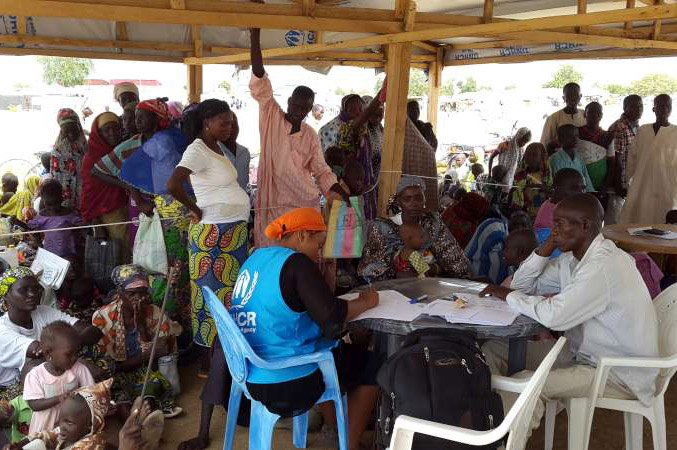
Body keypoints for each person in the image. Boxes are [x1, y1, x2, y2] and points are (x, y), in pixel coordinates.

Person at [480, 194, 659, 432]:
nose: (553, 231)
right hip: (583, 353)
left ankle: (501, 442)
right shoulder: (573, 261)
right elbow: (520, 285)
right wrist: (546, 247)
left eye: (560, 224)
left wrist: (506, 296)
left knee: (526, 384)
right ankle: (482, 421)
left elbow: (555, 315)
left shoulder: (603, 265)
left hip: (616, 371)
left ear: (585, 225)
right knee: (492, 351)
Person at [230, 208, 381, 450]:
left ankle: (335, 428)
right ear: (301, 236)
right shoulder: (296, 263)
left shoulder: (255, 258)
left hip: (251, 374)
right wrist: (366, 302)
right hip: (290, 381)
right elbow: (332, 321)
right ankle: (349, 443)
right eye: (318, 245)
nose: (319, 254)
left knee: (331, 352)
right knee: (373, 364)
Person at [249, 26, 348, 248]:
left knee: (302, 253)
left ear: (310, 109)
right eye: (296, 104)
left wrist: (339, 190)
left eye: (305, 107)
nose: (299, 110)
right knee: (272, 249)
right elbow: (259, 76)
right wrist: (255, 34)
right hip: (272, 203)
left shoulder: (310, 134)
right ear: (289, 101)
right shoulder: (271, 115)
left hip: (303, 202)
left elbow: (321, 171)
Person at [168, 99, 250, 353]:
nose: (230, 127)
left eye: (232, 122)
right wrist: (195, 208)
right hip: (214, 237)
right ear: (207, 123)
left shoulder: (217, 147)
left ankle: (226, 355)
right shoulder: (198, 149)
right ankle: (209, 360)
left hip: (231, 234)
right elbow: (173, 184)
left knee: (230, 296)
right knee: (212, 299)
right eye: (224, 123)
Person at [91, 265, 181, 419]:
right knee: (122, 403)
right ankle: (135, 427)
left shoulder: (155, 313)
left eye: (143, 293)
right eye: (132, 294)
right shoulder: (102, 317)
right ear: (120, 292)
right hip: (116, 375)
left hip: (145, 373)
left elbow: (154, 365)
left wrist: (141, 326)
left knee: (149, 394)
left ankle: (145, 423)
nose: (140, 299)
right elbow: (106, 368)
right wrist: (145, 356)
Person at [0, 268, 102, 402]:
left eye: (36, 289)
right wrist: (77, 362)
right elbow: (38, 352)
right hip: (12, 387)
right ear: (6, 294)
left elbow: (92, 332)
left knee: (91, 352)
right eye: (23, 290)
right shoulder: (2, 330)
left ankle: (87, 401)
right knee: (34, 367)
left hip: (51, 368)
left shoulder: (43, 312)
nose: (32, 294)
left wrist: (66, 349)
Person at [359, 176, 469, 282]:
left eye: (418, 198)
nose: (414, 204)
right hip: (393, 291)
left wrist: (433, 268)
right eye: (407, 199)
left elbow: (455, 260)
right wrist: (398, 260)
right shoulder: (383, 229)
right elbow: (367, 270)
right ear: (398, 202)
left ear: (424, 199)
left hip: (429, 289)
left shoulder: (432, 224)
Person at [23, 321, 95, 433]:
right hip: (45, 427)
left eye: (77, 352)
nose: (75, 357)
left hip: (72, 425)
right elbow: (34, 405)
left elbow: (91, 392)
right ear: (48, 354)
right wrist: (58, 399)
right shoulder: (35, 375)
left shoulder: (79, 369)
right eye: (69, 354)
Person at [620, 94, 677, 224]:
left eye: (667, 106)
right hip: (641, 187)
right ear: (653, 109)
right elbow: (631, 159)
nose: (664, 109)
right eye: (660, 106)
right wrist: (629, 182)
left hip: (667, 190)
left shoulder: (676, 133)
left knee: (664, 227)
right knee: (637, 223)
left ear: (671, 109)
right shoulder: (643, 130)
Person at [80, 112, 129, 261]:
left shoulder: (124, 151)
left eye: (115, 128)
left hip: (129, 208)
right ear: (98, 133)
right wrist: (96, 223)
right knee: (120, 250)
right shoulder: (91, 159)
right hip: (109, 213)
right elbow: (88, 194)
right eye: (106, 130)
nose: (112, 133)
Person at [15, 379, 113, 450]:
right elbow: (47, 436)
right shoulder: (69, 431)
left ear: (90, 425)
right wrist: (20, 444)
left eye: (69, 422)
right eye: (61, 418)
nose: (61, 426)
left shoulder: (92, 445)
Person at [337, 93, 385, 221]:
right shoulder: (347, 128)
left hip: (365, 183)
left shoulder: (366, 130)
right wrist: (382, 93)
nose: (357, 112)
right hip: (353, 185)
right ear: (344, 112)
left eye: (360, 109)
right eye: (352, 109)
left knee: (367, 218)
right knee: (355, 222)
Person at [465, 210, 531, 284]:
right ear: (508, 223)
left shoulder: (524, 247)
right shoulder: (496, 229)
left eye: (523, 225)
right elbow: (498, 266)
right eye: (515, 224)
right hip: (472, 281)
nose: (519, 227)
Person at [607, 94, 643, 225]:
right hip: (619, 184)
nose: (638, 109)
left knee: (628, 221)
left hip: (630, 182)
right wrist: (618, 185)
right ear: (625, 108)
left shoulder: (638, 127)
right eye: (634, 106)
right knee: (615, 221)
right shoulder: (619, 127)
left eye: (640, 106)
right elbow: (616, 158)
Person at [27, 180, 83, 261]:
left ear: (61, 198)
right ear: (43, 200)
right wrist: (17, 222)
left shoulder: (69, 214)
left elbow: (82, 225)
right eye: (49, 205)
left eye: (55, 203)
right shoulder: (42, 215)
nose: (53, 208)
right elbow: (30, 227)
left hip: (67, 254)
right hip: (49, 253)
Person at [533, 168, 586, 248]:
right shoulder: (558, 211)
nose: (581, 192)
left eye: (583, 187)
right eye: (573, 188)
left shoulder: (554, 204)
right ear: (556, 188)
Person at [50, 109, 87, 210]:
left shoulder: (86, 148)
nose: (71, 134)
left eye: (73, 129)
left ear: (78, 127)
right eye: (67, 131)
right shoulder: (57, 152)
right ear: (62, 130)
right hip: (64, 204)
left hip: (86, 200)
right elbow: (55, 180)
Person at [576, 101, 615, 192]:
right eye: (590, 112)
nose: (594, 115)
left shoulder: (608, 136)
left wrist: (606, 184)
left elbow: (612, 163)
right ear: (585, 114)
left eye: (598, 112)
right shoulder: (576, 133)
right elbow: (554, 146)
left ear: (601, 115)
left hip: (600, 185)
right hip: (578, 184)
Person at [510, 142, 552, 220]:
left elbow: (551, 191)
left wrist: (539, 186)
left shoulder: (546, 174)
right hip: (522, 215)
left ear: (542, 157)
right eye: (528, 154)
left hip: (541, 214)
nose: (530, 157)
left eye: (535, 155)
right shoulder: (520, 173)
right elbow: (514, 192)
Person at [548, 124, 595, 192]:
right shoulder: (555, 159)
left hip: (581, 195)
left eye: (576, 136)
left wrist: (591, 194)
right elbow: (559, 184)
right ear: (560, 139)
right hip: (565, 197)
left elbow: (586, 178)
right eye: (570, 136)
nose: (575, 139)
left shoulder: (579, 157)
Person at [540, 82, 586, 147]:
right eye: (569, 95)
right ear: (563, 98)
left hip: (582, 155)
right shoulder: (554, 117)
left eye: (575, 95)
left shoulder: (585, 115)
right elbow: (545, 141)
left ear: (580, 97)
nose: (572, 98)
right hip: (559, 155)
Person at [221, 113, 251, 191]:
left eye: (234, 125)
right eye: (226, 125)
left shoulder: (245, 153)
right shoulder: (212, 152)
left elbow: (245, 182)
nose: (231, 130)